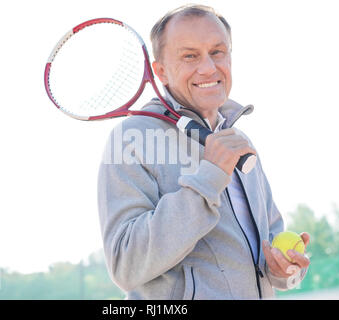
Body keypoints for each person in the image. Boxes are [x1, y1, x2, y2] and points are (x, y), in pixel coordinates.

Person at [97, 4, 310, 299]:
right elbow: (125, 264)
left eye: (217, 52)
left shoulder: (238, 140)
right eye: (189, 56)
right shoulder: (133, 137)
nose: (208, 67)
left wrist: (282, 269)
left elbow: (267, 243)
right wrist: (210, 176)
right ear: (161, 71)